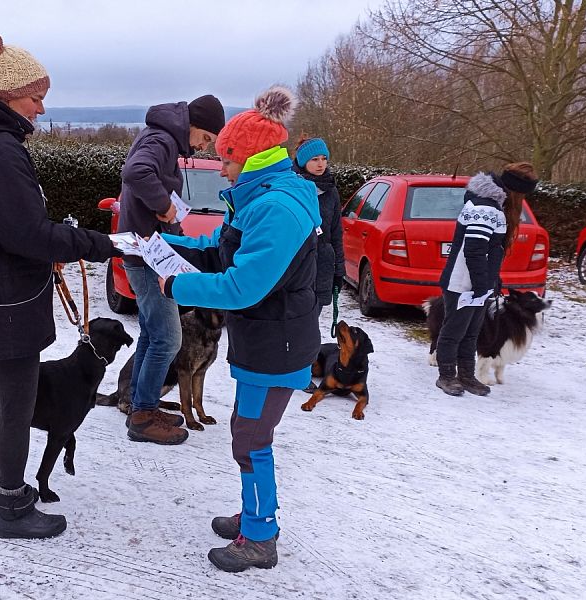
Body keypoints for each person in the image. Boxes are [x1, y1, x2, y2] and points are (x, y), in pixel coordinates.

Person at [0, 30, 120, 539]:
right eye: (36, 97)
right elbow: (28, 235)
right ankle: (12, 508)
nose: (41, 109)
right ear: (8, 95)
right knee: (16, 406)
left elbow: (6, 231)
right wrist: (102, 244)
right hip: (6, 305)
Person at [159, 86, 321, 572]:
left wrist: (176, 289)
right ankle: (253, 515)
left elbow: (242, 286)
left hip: (277, 346)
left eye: (226, 159)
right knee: (245, 432)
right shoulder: (260, 198)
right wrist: (160, 242)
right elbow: (222, 245)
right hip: (264, 340)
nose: (220, 166)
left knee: (251, 439)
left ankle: (260, 536)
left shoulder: (276, 208)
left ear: (246, 158)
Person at [118, 93, 225, 445]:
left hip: (148, 249)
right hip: (145, 254)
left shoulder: (162, 137)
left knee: (152, 332)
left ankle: (139, 402)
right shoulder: (161, 138)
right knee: (169, 337)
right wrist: (163, 206)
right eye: (206, 138)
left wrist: (175, 231)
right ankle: (144, 414)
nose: (204, 147)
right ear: (193, 125)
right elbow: (135, 172)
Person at [435, 162, 539, 396]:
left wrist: (492, 281)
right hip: (462, 283)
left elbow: (491, 251)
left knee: (472, 332)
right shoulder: (485, 209)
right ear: (516, 190)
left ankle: (467, 375)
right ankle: (447, 376)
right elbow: (474, 250)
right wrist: (483, 284)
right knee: (454, 331)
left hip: (477, 285)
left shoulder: (495, 206)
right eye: (523, 194)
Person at [292, 136, 346, 393]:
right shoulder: (291, 186)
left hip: (323, 264)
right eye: (315, 159)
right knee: (296, 320)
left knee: (312, 322)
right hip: (298, 262)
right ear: (304, 162)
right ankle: (292, 370)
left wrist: (339, 270)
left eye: (324, 158)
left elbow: (336, 232)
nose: (321, 163)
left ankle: (303, 369)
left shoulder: (332, 190)